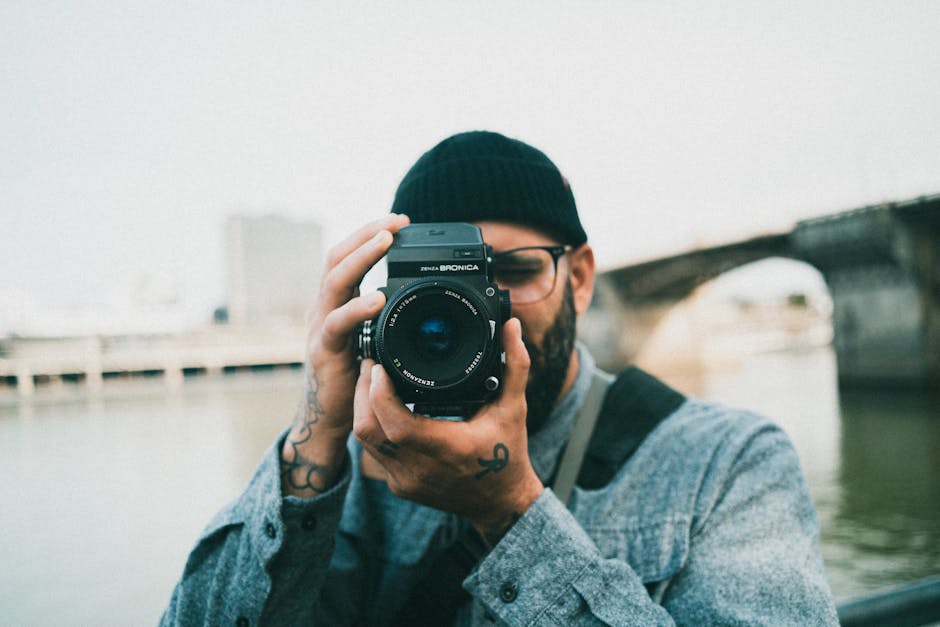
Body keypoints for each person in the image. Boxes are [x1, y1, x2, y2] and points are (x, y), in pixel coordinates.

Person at [161, 131, 838, 625]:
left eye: (513, 271)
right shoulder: (362, 465)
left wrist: (511, 511)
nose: (488, 311)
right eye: (441, 289)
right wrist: (315, 435)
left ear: (578, 279)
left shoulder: (725, 464)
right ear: (385, 300)